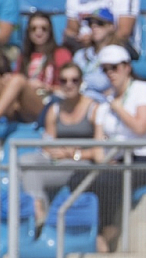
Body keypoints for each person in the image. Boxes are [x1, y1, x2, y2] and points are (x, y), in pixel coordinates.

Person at [68, 45, 146, 252]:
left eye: (114, 67)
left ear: (127, 67)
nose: (110, 73)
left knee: (108, 180)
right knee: (77, 178)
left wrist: (118, 107)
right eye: (105, 69)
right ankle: (96, 232)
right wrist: (103, 160)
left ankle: (106, 233)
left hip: (144, 161)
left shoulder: (143, 90)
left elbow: (140, 127)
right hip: (118, 161)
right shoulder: (106, 102)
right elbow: (99, 144)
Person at [20, 63, 104, 225]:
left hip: (81, 165)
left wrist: (72, 154)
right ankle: (37, 212)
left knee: (28, 174)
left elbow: (100, 150)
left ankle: (36, 214)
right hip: (58, 161)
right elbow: (47, 143)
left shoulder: (94, 108)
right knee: (25, 161)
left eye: (74, 80)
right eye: (64, 80)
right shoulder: (55, 109)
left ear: (81, 82)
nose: (69, 84)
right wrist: (56, 150)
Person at [0, 11, 71, 132]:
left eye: (44, 28)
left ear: (50, 31)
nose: (39, 32)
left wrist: (45, 86)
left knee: (18, 80)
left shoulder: (60, 54)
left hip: (46, 103)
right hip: (20, 105)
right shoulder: (25, 56)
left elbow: (71, 86)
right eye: (34, 29)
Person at [72, 7, 118, 102]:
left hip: (102, 104)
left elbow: (103, 83)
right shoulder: (80, 55)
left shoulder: (117, 55)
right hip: (77, 102)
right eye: (90, 24)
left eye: (100, 23)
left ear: (111, 26)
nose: (94, 27)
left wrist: (83, 83)